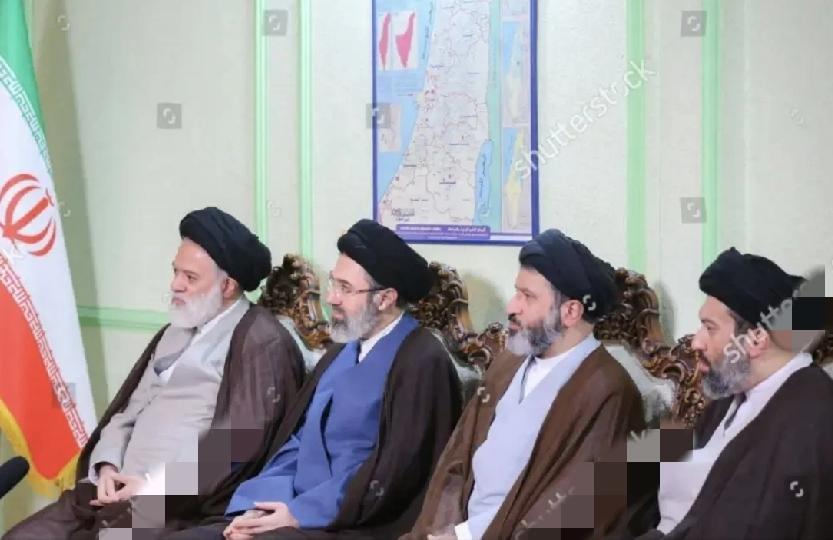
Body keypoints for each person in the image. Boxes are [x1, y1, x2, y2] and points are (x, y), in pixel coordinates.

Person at [4, 207, 305, 539]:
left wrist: (152, 487)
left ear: (228, 286)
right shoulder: (176, 328)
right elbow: (127, 411)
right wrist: (107, 465)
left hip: (171, 505)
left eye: (190, 277)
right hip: (109, 489)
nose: (176, 285)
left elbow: (237, 444)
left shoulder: (260, 342)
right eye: (176, 272)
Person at [171, 219, 463, 540]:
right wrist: (261, 507)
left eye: (346, 289)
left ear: (385, 298)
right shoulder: (342, 350)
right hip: (291, 504)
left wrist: (299, 514)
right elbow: (297, 442)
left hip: (352, 520)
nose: (332, 298)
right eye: (333, 284)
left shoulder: (421, 361)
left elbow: (396, 474)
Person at [405, 229, 645, 540]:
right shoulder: (508, 362)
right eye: (516, 292)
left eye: (527, 297)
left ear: (571, 311)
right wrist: (439, 530)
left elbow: (574, 506)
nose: (511, 307)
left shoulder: (608, 390)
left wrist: (466, 534)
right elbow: (456, 459)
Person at [625, 248, 833, 540]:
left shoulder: (809, 417)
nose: (696, 342)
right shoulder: (730, 397)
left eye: (709, 328)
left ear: (757, 339)